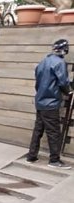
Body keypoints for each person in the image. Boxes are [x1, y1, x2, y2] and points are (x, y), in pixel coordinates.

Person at [26, 39, 72, 170]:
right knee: (53, 132)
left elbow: (37, 82)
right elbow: (63, 82)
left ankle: (31, 156)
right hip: (51, 103)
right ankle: (54, 160)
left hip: (40, 101)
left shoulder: (43, 62)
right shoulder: (60, 63)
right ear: (64, 50)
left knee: (38, 130)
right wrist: (69, 91)